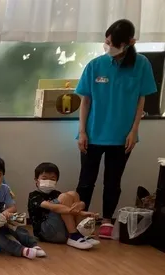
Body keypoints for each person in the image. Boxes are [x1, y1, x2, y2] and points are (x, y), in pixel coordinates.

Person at [75, 19, 157, 238]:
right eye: (107, 41)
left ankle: (107, 220)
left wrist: (134, 131)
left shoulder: (142, 64)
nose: (108, 45)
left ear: (129, 42)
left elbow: (141, 101)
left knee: (113, 181)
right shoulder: (95, 65)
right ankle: (81, 217)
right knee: (86, 181)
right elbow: (85, 102)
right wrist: (82, 131)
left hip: (122, 136)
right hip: (93, 133)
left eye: (113, 43)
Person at [27, 162, 99, 251]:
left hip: (61, 230)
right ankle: (73, 235)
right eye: (44, 178)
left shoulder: (57, 193)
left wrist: (81, 205)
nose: (49, 181)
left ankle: (80, 233)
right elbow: (53, 207)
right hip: (46, 232)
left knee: (73, 194)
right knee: (64, 197)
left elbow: (75, 204)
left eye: (52, 179)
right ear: (36, 180)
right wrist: (82, 212)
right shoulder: (34, 196)